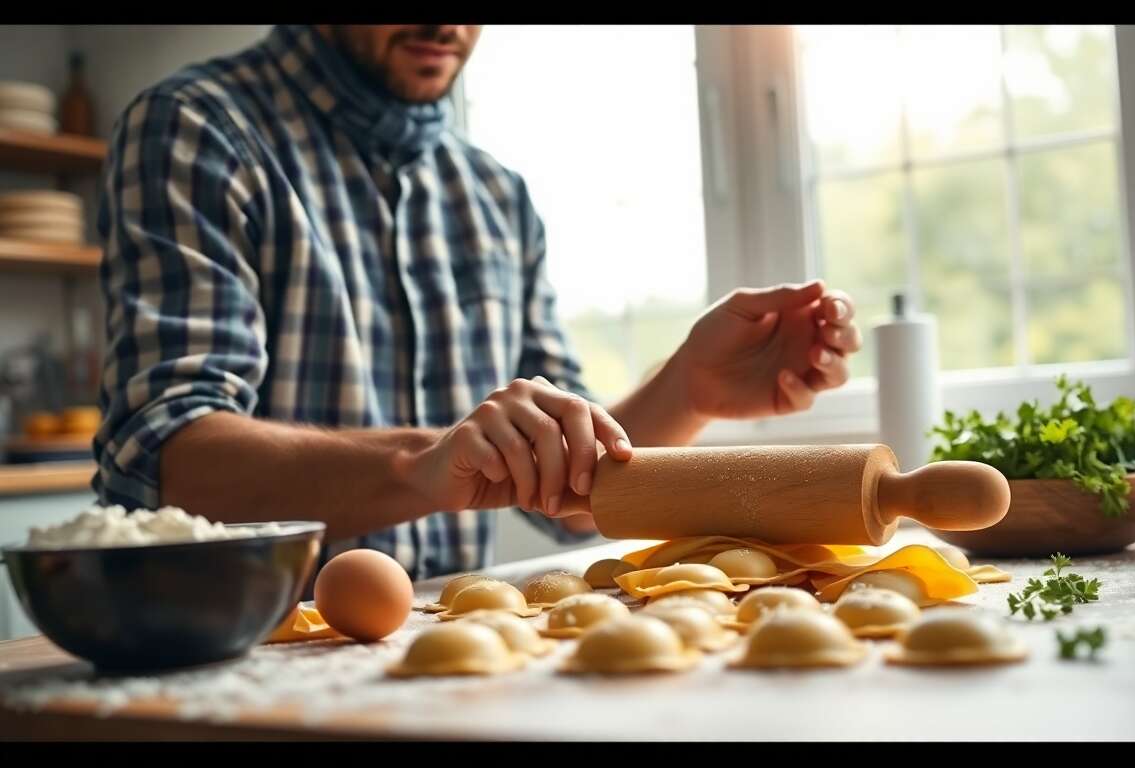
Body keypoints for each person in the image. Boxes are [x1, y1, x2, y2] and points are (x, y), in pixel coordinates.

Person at [94, 25, 862, 579]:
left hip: (428, 664)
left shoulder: (495, 194)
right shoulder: (197, 130)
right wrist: (422, 464)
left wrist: (691, 389)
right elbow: (165, 462)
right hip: (224, 665)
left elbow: (567, 492)